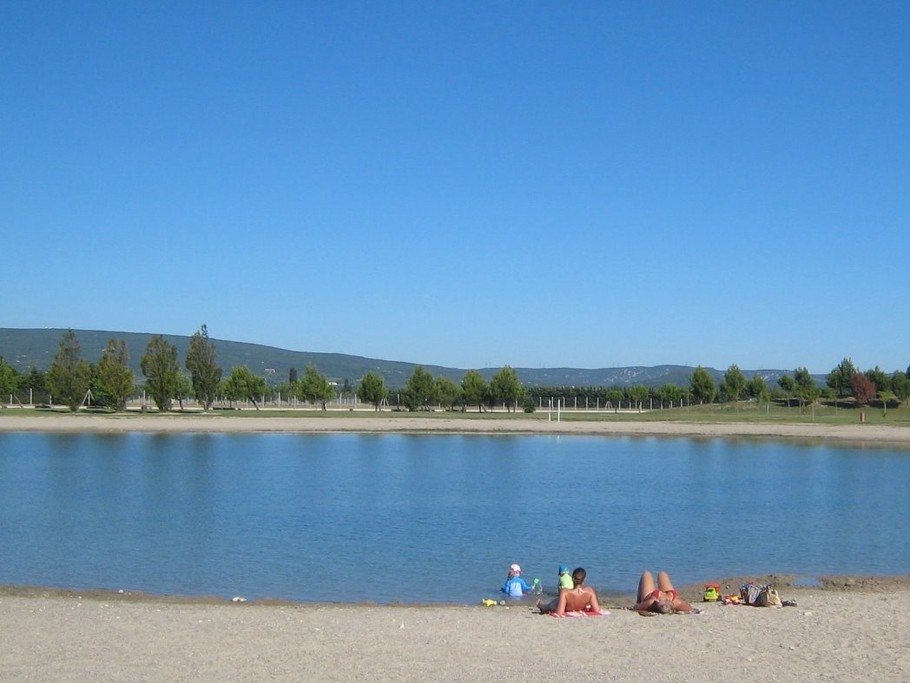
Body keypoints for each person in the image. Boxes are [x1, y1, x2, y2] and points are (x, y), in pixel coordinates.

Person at [537, 567, 602, 616]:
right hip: (580, 606)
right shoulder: (590, 591)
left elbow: (559, 613)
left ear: (572, 578)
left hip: (565, 607)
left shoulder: (565, 592)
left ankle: (543, 606)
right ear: (584, 579)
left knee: (553, 602)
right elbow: (597, 610)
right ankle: (543, 605)